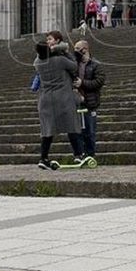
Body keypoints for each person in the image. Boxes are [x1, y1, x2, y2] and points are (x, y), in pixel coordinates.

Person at [34, 31, 83, 170]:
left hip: (45, 99)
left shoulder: (37, 63)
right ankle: (78, 155)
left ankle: (43, 158)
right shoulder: (60, 60)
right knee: (71, 126)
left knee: (47, 131)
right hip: (63, 97)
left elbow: (40, 55)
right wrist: (65, 51)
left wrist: (52, 50)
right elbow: (74, 65)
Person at [73, 40, 105, 168]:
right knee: (77, 131)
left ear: (85, 49)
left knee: (90, 131)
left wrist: (83, 83)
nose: (75, 51)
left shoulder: (96, 65)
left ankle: (90, 155)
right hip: (77, 102)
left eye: (78, 48)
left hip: (90, 102)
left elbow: (99, 81)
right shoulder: (74, 64)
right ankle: (79, 154)